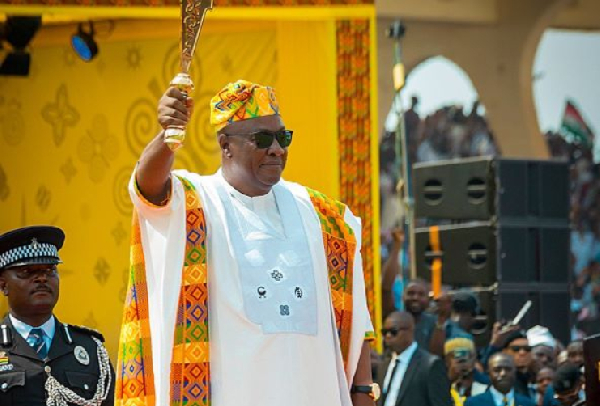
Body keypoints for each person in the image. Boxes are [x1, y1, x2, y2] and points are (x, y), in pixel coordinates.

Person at [115, 80, 377, 406]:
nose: (277, 149)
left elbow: (357, 314)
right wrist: (169, 135)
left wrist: (364, 389)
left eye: (283, 138)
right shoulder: (196, 201)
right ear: (226, 145)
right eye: (262, 139)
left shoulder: (323, 216)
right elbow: (147, 188)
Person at [0, 225, 114, 406]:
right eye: (27, 272)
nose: (42, 278)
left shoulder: (91, 350)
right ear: (3, 285)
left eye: (49, 270)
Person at [377, 311, 452, 406]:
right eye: (384, 332)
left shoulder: (429, 365)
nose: (388, 336)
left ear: (410, 331)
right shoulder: (383, 365)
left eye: (393, 332)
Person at [465, 353, 535, 406]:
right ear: (489, 373)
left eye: (508, 369)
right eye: (497, 370)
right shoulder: (473, 403)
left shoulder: (528, 404)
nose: (503, 373)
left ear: (514, 372)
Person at [444, 337, 488, 406]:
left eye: (468, 356)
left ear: (474, 360)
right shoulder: (438, 386)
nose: (463, 362)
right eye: (456, 356)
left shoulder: (486, 386)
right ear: (447, 361)